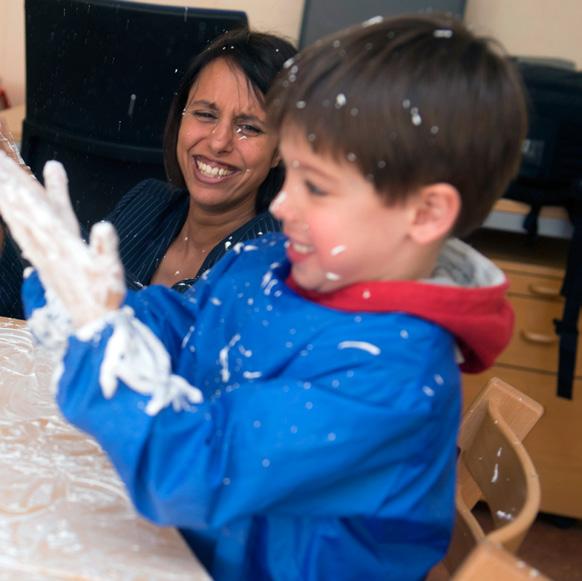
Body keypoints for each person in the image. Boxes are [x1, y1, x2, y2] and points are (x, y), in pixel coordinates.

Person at [0, 14, 527, 580]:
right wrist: (92, 302)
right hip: (215, 545)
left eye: (316, 186)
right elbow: (187, 322)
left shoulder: (388, 375)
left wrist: (100, 349)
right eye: (293, 173)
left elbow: (195, 471)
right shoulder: (284, 267)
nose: (283, 205)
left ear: (425, 214)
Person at [0, 28, 297, 318]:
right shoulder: (149, 201)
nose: (219, 141)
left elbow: (161, 339)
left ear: (280, 150)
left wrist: (40, 212)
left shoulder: (269, 255)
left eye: (249, 128)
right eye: (205, 114)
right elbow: (45, 310)